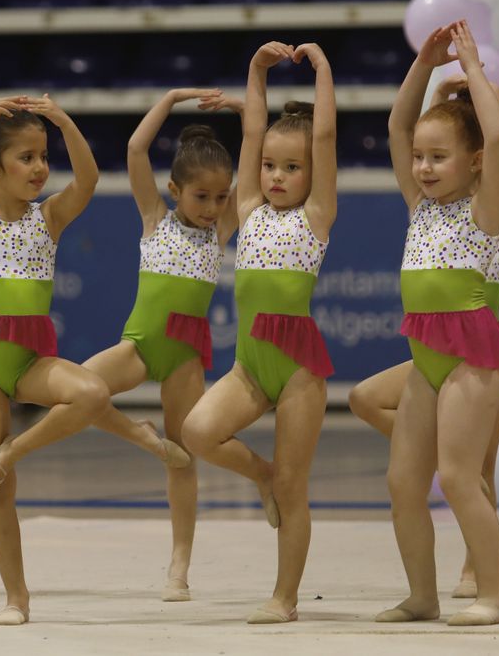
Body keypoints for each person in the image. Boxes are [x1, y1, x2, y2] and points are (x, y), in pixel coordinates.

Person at [0, 92, 111, 625]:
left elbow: (90, 178)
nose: (39, 168)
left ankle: (11, 453)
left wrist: (62, 120)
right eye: (26, 158)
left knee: (93, 393)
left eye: (43, 157)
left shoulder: (49, 217)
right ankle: (17, 598)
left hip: (32, 359)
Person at [180, 41, 338, 624]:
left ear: (313, 177)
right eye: (271, 166)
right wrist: (255, 71)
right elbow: (251, 134)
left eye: (291, 168)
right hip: (249, 365)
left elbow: (323, 138)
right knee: (197, 431)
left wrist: (321, 71)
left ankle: (285, 597)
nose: (275, 176)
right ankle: (260, 475)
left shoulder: (316, 216)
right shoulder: (246, 209)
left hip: (297, 370)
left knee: (296, 488)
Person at [348, 71, 499, 600]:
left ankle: (491, 598)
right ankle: (422, 598)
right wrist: (423, 63)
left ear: (474, 162)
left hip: (471, 360)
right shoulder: (420, 208)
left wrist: (469, 59)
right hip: (426, 364)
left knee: (460, 480)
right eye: (419, 158)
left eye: (437, 157)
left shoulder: (488, 209)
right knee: (402, 483)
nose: (422, 167)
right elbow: (399, 125)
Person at [81, 88, 242, 602]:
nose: (213, 208)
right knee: (79, 392)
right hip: (140, 346)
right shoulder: (154, 219)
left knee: (185, 457)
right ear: (174, 190)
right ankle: (142, 436)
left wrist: (245, 112)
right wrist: (170, 99)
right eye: (201, 198)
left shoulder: (220, 233)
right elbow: (134, 150)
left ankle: (180, 565)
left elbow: (259, 156)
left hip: (184, 359)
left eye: (221, 198)